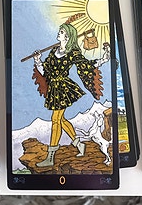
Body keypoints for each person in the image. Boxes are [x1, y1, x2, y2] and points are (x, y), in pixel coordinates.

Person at [32, 23, 104, 167]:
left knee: (55, 119)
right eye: (60, 31)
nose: (58, 33)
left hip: (63, 89)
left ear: (67, 36)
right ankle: (79, 144)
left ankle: (50, 156)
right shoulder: (54, 51)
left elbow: (85, 65)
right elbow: (46, 71)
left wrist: (102, 60)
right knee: (61, 119)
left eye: (61, 31)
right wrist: (38, 60)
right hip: (54, 89)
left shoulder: (73, 53)